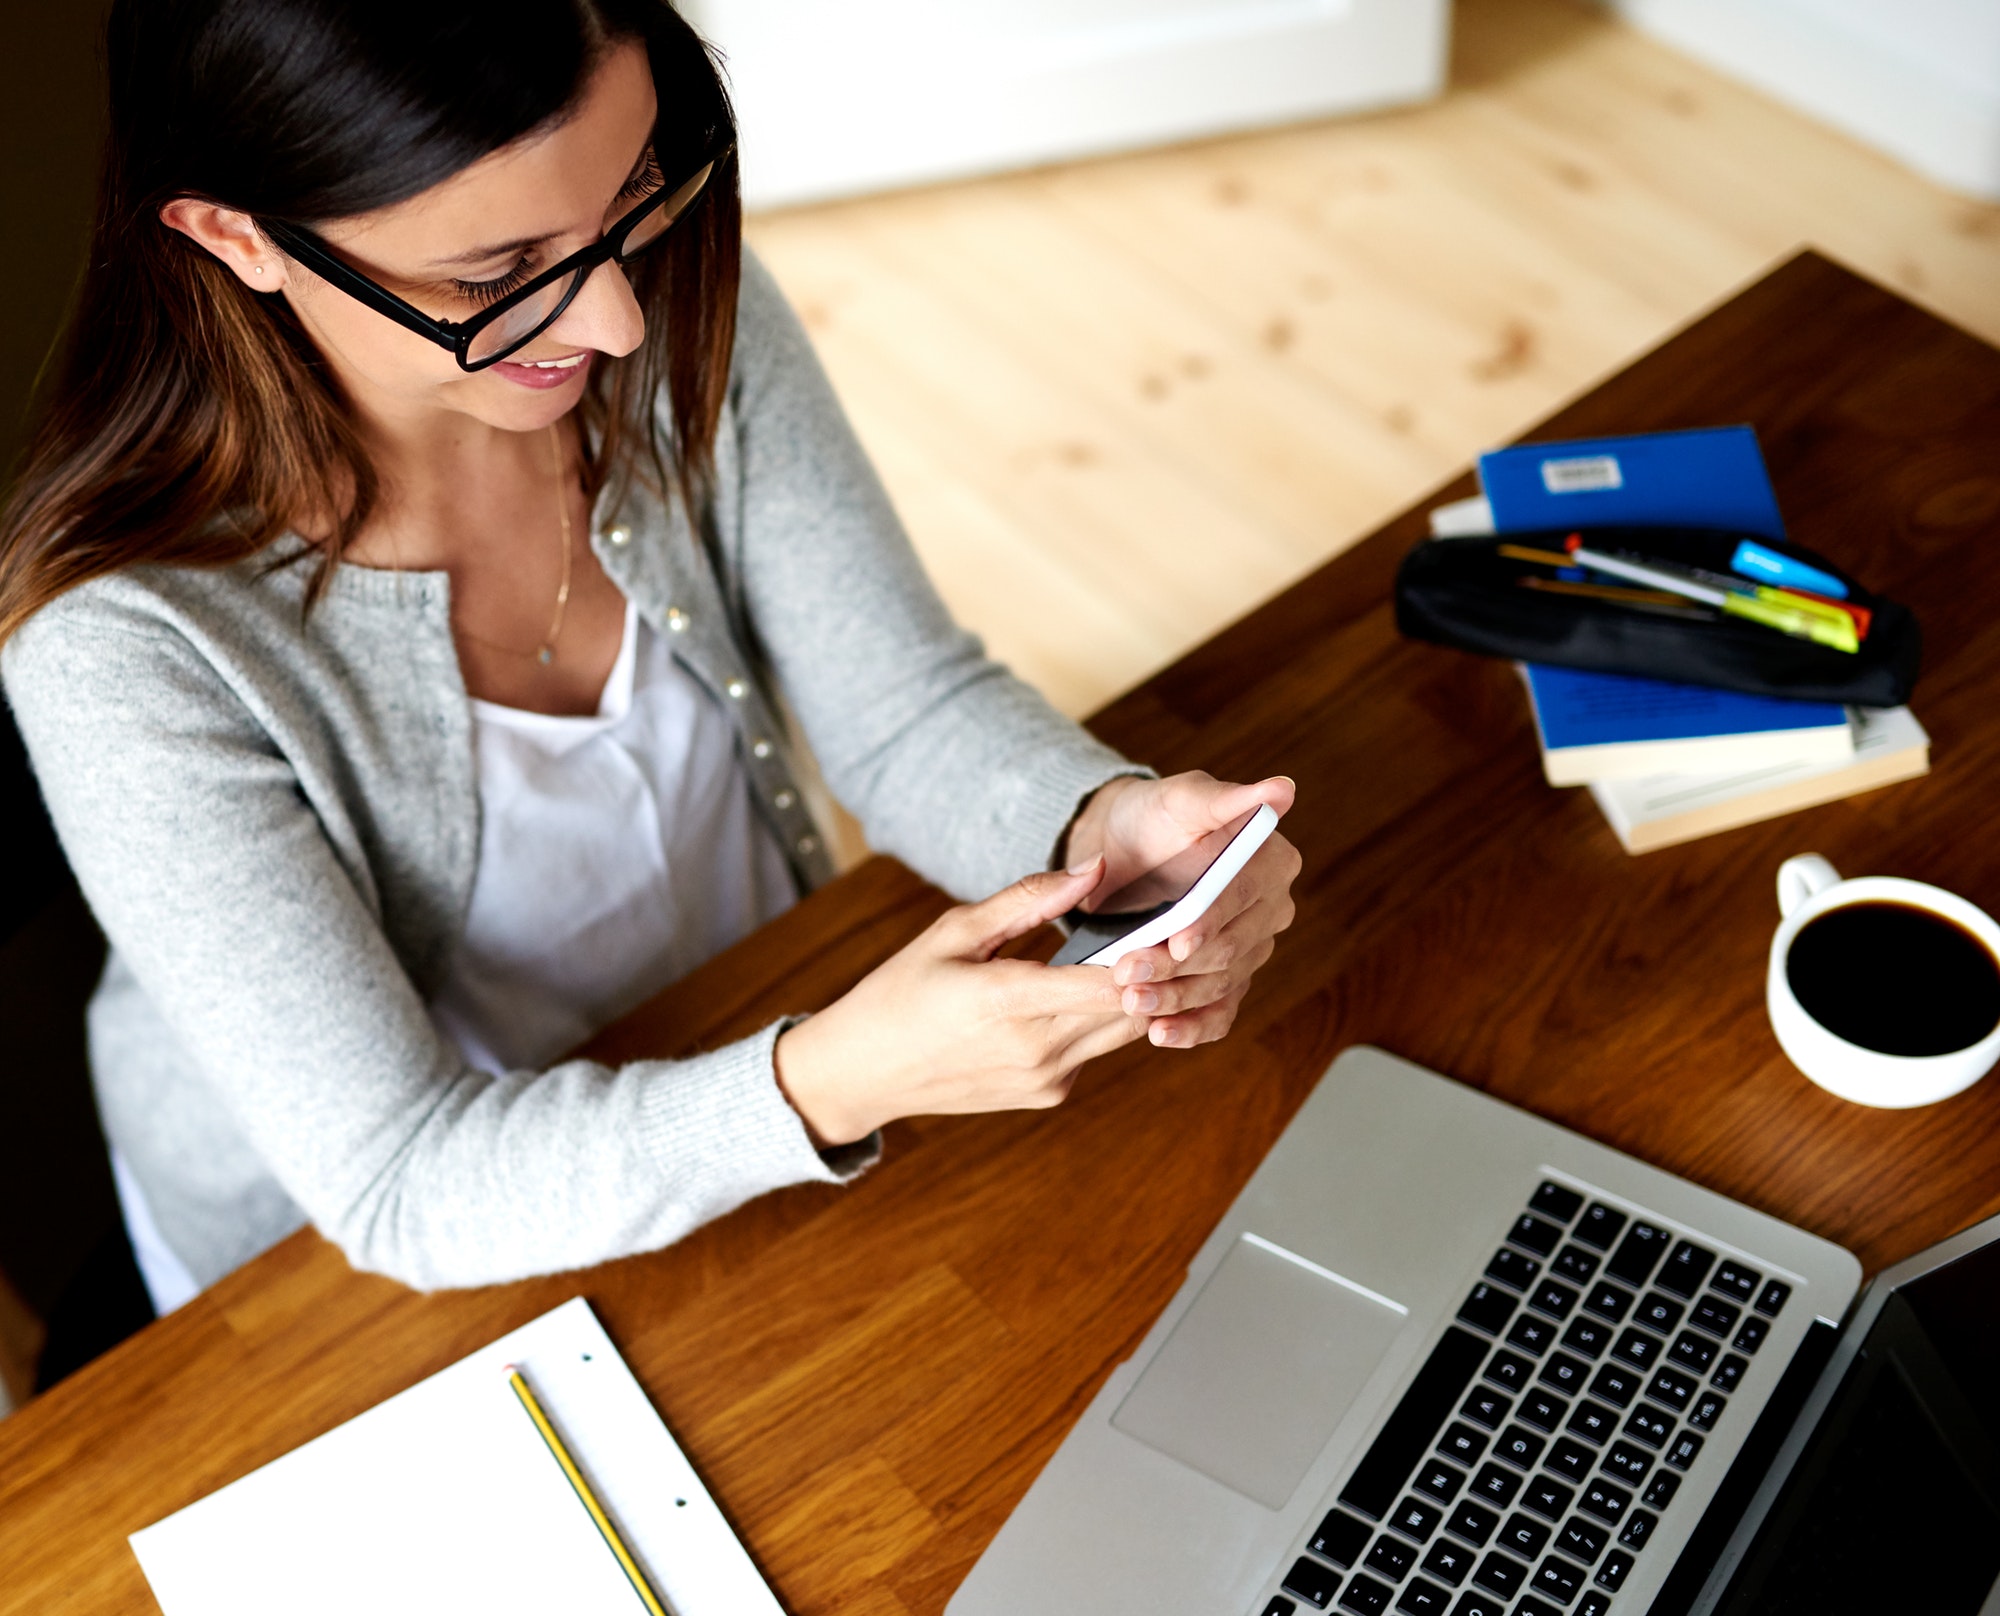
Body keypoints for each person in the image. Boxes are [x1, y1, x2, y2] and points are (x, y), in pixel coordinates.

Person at [0, 0, 1300, 1312]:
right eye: (496, 271)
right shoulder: (122, 650)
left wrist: (1102, 823)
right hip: (367, 1282)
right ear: (236, 236)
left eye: (629, 195)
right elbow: (403, 1179)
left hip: (739, 1038)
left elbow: (907, 708)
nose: (619, 319)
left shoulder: (664, 298)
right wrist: (829, 1083)